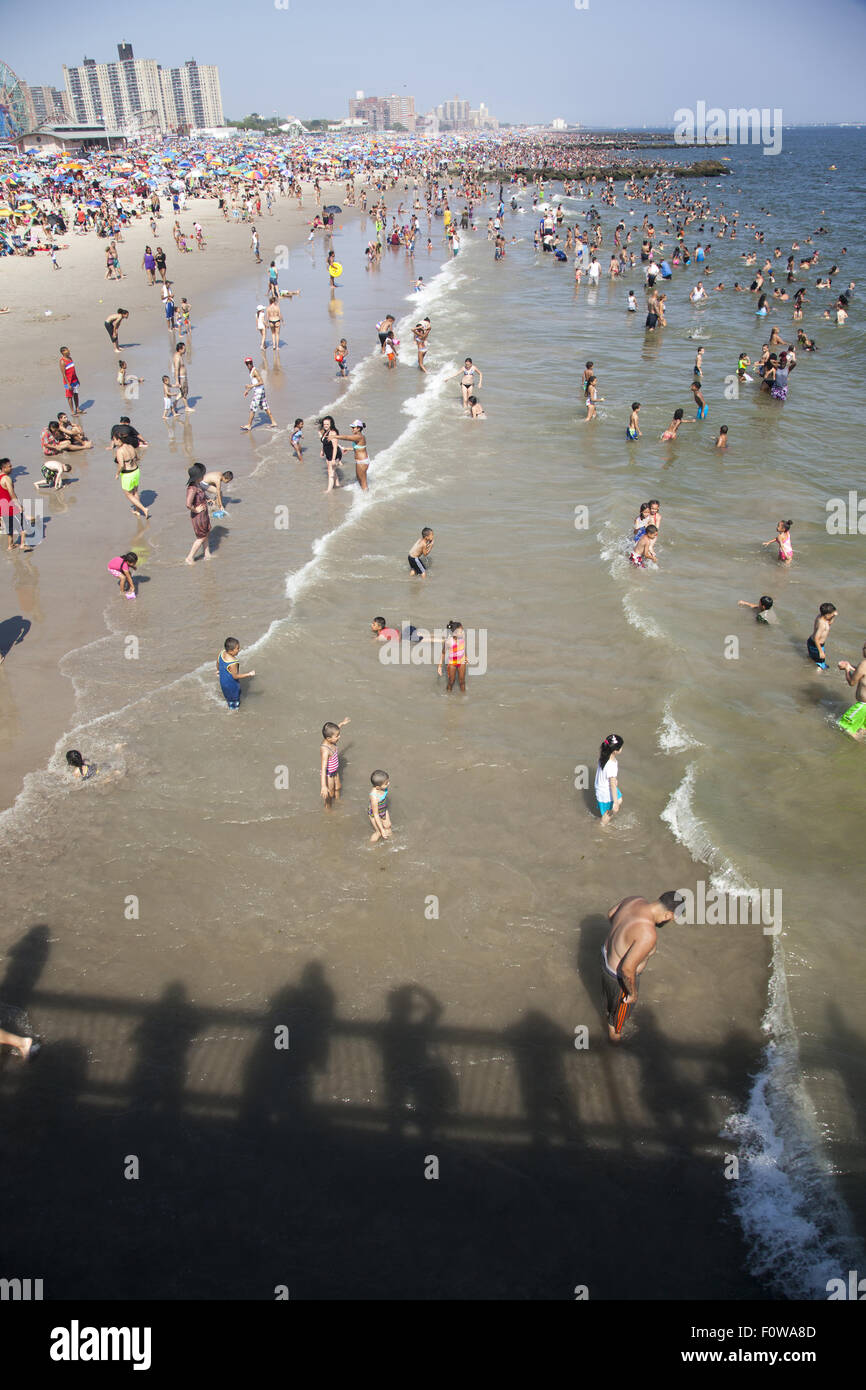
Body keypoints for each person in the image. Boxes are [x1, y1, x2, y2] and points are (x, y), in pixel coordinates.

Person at [602, 893, 683, 1042]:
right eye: (672, 919)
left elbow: (610, 914)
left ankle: (609, 1014)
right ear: (668, 914)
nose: (669, 921)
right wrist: (632, 993)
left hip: (606, 958)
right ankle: (612, 1053)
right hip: (619, 980)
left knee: (608, 1005)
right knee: (616, 1027)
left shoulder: (635, 899)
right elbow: (627, 969)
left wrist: (620, 939)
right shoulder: (648, 933)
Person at [0, 458, 31, 553]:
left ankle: (10, 545)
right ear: (3, 468)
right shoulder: (7, 478)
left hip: (2, 506)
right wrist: (18, 505)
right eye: (9, 466)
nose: (11, 468)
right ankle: (22, 544)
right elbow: (11, 493)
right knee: (24, 525)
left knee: (9, 527)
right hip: (10, 505)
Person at [114, 436, 149, 520]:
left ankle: (144, 509)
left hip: (128, 474)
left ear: (119, 440)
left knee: (128, 494)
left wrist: (117, 474)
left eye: (114, 440)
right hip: (136, 471)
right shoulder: (130, 446)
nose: (114, 442)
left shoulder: (119, 451)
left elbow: (121, 465)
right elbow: (137, 458)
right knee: (135, 492)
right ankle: (137, 511)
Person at [837, 643, 866, 740]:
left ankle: (857, 745)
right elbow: (861, 672)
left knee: (843, 726)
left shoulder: (864, 664)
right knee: (861, 729)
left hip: (863, 706)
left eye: (864, 648)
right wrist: (850, 666)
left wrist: (846, 669)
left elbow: (852, 682)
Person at [320, 717, 351, 808]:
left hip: (335, 772)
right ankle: (328, 809)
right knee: (330, 793)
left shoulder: (331, 740)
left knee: (338, 788)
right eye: (337, 736)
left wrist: (342, 723)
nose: (339, 737)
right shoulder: (325, 750)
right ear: (329, 738)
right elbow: (323, 768)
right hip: (328, 775)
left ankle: (338, 801)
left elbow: (337, 728)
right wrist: (323, 786)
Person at [185, 462, 212, 563]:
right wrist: (195, 509)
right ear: (198, 476)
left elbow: (202, 494)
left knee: (207, 532)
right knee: (201, 537)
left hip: (204, 514)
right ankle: (190, 557)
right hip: (198, 516)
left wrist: (208, 499)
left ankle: (207, 553)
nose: (204, 476)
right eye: (202, 474)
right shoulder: (192, 488)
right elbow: (188, 504)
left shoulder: (198, 485)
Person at [217, 637, 255, 710]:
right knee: (235, 700)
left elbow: (218, 662)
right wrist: (249, 674)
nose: (238, 650)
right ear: (231, 651)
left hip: (223, 682)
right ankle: (234, 711)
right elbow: (235, 676)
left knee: (229, 697)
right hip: (231, 685)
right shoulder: (233, 662)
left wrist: (218, 670)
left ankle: (230, 704)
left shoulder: (222, 653)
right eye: (237, 648)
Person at [595, 733, 623, 823]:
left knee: (620, 799)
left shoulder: (604, 756)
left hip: (601, 784)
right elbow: (612, 785)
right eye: (621, 747)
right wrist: (615, 803)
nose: (622, 748)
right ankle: (602, 825)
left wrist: (614, 780)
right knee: (609, 811)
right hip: (605, 792)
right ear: (615, 751)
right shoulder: (612, 765)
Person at [242, 358, 277, 431]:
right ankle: (273, 422)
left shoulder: (255, 371)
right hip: (260, 390)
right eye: (247, 364)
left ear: (252, 363)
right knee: (265, 406)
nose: (249, 365)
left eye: (250, 363)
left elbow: (261, 382)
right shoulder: (251, 371)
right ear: (246, 364)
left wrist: (251, 386)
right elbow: (254, 381)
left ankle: (249, 425)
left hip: (259, 391)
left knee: (253, 407)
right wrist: (247, 390)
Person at [336, 421, 371, 491]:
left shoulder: (358, 436)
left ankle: (366, 497)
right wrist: (347, 449)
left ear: (358, 428)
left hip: (362, 462)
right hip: (360, 461)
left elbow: (346, 437)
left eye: (353, 428)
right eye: (351, 427)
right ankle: (363, 493)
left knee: (363, 482)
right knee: (358, 478)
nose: (352, 429)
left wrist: (334, 436)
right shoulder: (359, 436)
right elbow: (359, 448)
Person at [438, 620, 467, 693]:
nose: (463, 632)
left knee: (462, 681)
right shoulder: (448, 641)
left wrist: (466, 656)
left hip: (462, 662)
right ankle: (448, 697)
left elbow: (463, 647)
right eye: (461, 631)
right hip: (452, 663)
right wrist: (440, 666)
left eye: (462, 630)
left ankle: (463, 697)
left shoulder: (462, 637)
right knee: (451, 681)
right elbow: (443, 653)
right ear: (455, 633)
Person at [807, 602, 837, 670]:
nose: (833, 615)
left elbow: (829, 623)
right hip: (817, 645)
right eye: (832, 614)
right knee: (821, 666)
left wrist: (833, 616)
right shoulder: (822, 625)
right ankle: (815, 677)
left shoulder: (820, 616)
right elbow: (816, 638)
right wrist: (821, 651)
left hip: (811, 642)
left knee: (812, 659)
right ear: (827, 615)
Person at [320, 416, 343, 492]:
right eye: (324, 424)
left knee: (331, 472)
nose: (325, 425)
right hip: (328, 454)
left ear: (331, 424)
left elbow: (335, 447)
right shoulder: (325, 432)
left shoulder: (333, 433)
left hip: (335, 455)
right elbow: (324, 443)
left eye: (327, 424)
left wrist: (333, 459)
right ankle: (337, 484)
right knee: (332, 470)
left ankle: (328, 491)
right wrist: (322, 451)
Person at [368, 770, 392, 844]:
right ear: (378, 787)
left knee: (388, 826)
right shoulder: (374, 796)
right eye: (386, 783)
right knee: (379, 832)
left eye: (388, 781)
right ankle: (370, 846)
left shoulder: (383, 788)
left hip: (383, 808)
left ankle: (392, 842)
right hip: (374, 813)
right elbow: (376, 815)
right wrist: (382, 830)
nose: (388, 783)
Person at [59, 346, 82, 415]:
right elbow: (63, 374)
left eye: (68, 350)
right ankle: (72, 411)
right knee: (69, 396)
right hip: (68, 382)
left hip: (74, 380)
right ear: (62, 352)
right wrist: (68, 384)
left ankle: (77, 409)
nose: (68, 351)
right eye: (66, 350)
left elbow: (73, 371)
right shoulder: (62, 361)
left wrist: (77, 379)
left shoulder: (70, 359)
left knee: (75, 394)